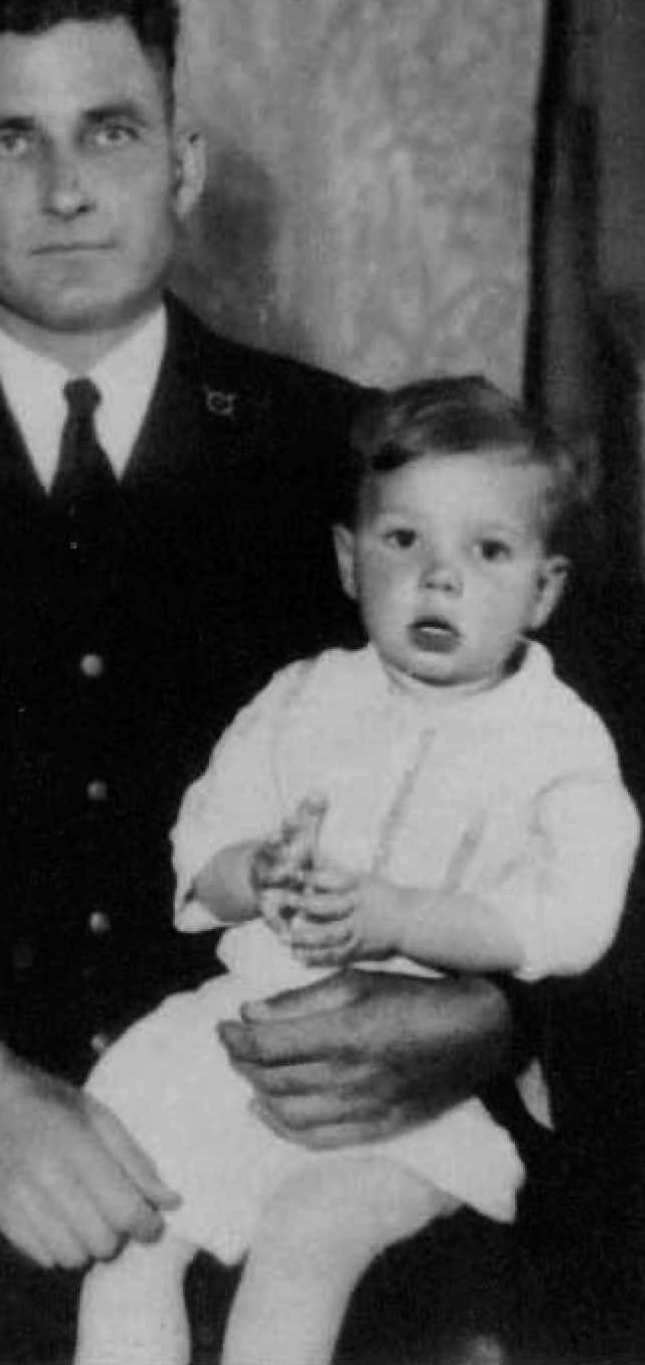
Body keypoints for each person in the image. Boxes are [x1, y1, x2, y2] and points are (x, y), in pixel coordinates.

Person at [0, 0, 528, 1362]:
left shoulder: (340, 455)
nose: (61, 190)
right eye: (7, 143)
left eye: (108, 132)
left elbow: (532, 785)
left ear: (184, 163)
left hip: (299, 1123)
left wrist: (481, 1023)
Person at [76, 377, 638, 1364]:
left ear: (544, 588)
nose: (438, 579)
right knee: (131, 1241)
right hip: (246, 1041)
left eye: (487, 551)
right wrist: (256, 873)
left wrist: (402, 918)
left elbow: (574, 918)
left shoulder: (556, 740)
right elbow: (198, 850)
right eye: (403, 541)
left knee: (305, 1245)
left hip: (428, 1097)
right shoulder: (302, 699)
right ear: (349, 559)